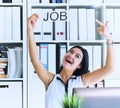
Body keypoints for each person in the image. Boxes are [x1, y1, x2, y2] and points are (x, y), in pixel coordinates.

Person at [27, 13, 114, 108]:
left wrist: (109, 38)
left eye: (77, 56)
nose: (71, 55)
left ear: (79, 65)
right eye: (70, 52)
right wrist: (30, 31)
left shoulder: (81, 81)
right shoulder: (50, 80)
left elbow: (109, 69)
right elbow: (35, 60)